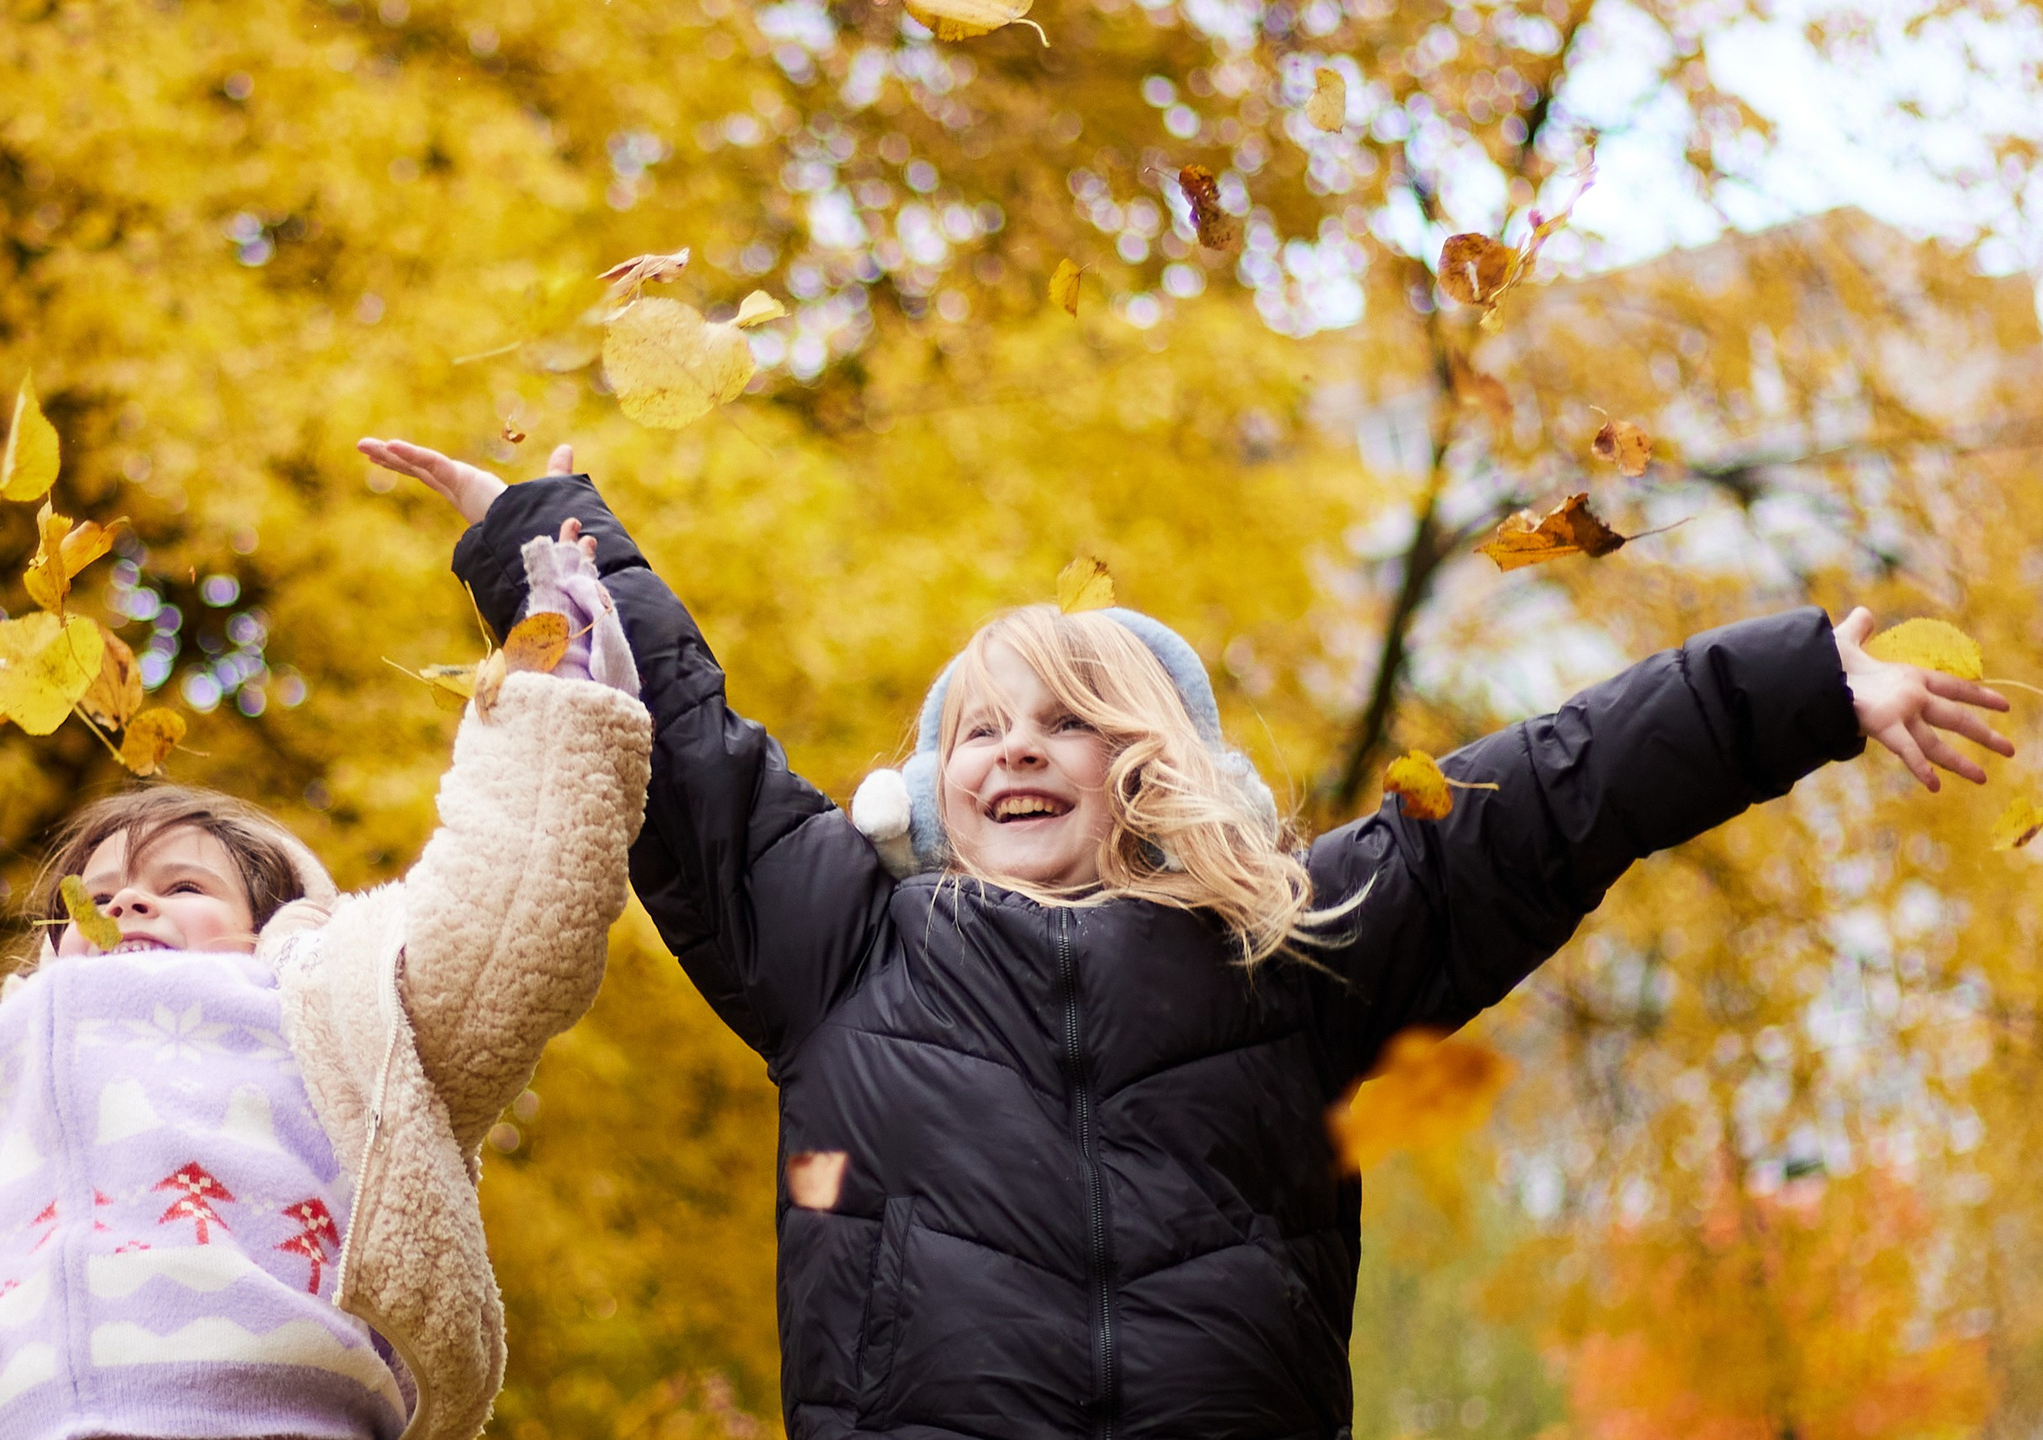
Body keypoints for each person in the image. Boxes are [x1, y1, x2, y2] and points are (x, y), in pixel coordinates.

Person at [362, 436, 2015, 1440]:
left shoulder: (1302, 950)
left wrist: (1807, 686)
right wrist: (536, 531)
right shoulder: (843, 944)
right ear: (931, 791)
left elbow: (1555, 793)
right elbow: (696, 763)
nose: (1013, 752)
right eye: (979, 732)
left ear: (1144, 765)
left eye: (1061, 724)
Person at [0, 530, 651, 1440]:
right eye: (91, 902)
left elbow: (503, 910)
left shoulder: (333, 1016)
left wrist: (550, 676)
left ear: (267, 927)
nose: (126, 907)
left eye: (179, 884)